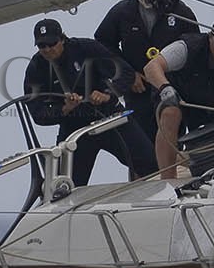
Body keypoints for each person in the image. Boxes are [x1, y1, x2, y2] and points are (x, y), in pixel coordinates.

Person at [22, 19, 157, 185]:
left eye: (52, 43)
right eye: (42, 46)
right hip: (75, 129)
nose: (48, 49)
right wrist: (65, 108)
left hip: (109, 117)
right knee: (62, 186)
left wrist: (107, 94)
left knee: (153, 165)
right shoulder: (36, 68)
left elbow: (126, 73)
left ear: (62, 39)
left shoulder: (85, 48)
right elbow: (37, 113)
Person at [143, 16, 214, 179]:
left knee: (213, 151)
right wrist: (165, 89)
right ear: (211, 37)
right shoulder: (187, 47)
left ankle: (189, 162)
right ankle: (168, 179)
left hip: (206, 105)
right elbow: (151, 67)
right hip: (174, 93)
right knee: (171, 113)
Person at [93, 0, 200, 141]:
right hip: (138, 89)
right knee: (142, 139)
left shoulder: (181, 12)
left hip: (171, 87)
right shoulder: (122, 11)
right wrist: (128, 73)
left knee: (173, 136)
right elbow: (102, 43)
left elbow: (194, 48)